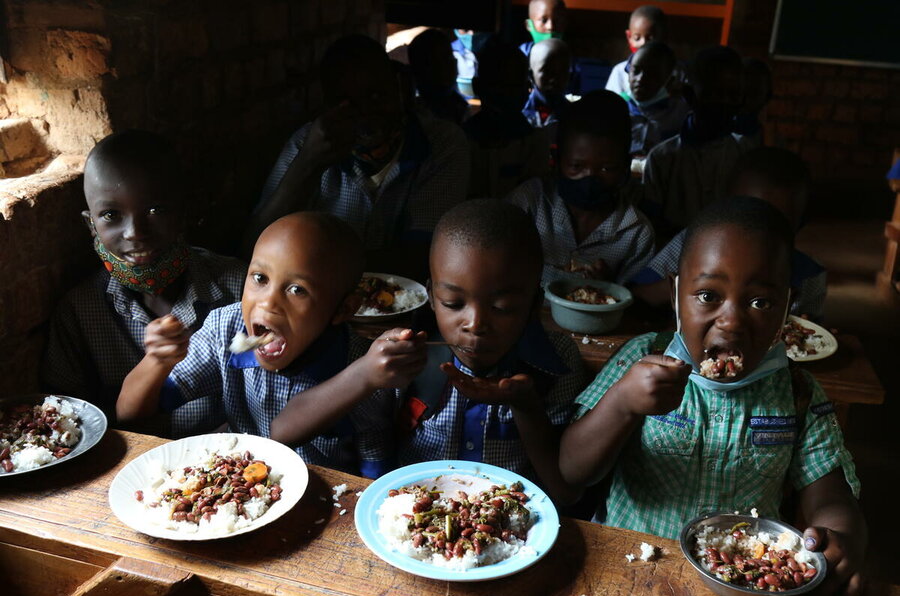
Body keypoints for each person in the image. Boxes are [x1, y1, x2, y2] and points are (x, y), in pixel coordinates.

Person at [561, 197, 866, 596]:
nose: (733, 320)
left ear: (786, 308)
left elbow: (829, 495)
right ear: (676, 294)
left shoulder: (798, 392)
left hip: (742, 585)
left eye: (761, 302)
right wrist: (622, 403)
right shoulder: (639, 361)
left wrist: (837, 537)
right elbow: (571, 470)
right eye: (708, 296)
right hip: (631, 570)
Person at [117, 213, 421, 477]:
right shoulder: (226, 330)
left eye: (297, 290)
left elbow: (375, 468)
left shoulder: (367, 368)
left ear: (342, 309)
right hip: (237, 490)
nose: (268, 302)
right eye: (260, 278)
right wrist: (156, 361)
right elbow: (131, 416)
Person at [43, 130, 245, 437]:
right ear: (91, 224)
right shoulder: (79, 312)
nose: (135, 232)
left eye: (155, 210)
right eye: (111, 214)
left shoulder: (239, 288)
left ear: (184, 211)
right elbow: (65, 425)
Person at [398, 199, 585, 504]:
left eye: (503, 308)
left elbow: (564, 489)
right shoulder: (409, 355)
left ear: (533, 305)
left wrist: (524, 405)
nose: (476, 324)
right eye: (453, 304)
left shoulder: (556, 362)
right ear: (431, 296)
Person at [251, 34, 469, 281]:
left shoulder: (440, 144)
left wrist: (312, 263)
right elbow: (256, 246)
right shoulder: (307, 144)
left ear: (399, 88)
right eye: (347, 103)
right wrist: (308, 164)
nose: (365, 112)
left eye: (376, 96)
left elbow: (423, 257)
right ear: (327, 106)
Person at [632, 147, 827, 321]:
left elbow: (812, 332)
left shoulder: (809, 276)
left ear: (800, 224)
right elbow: (638, 296)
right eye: (746, 214)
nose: (758, 234)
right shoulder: (692, 243)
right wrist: (688, 285)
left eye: (777, 224)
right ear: (722, 205)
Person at [507, 92, 654, 286]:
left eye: (606, 169)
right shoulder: (530, 201)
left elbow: (633, 302)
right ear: (557, 160)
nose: (590, 178)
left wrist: (609, 287)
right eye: (576, 167)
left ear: (625, 166)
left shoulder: (635, 233)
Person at [642, 45, 746, 238]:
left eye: (733, 95)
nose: (723, 103)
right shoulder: (662, 158)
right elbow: (650, 225)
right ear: (690, 95)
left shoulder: (746, 156)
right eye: (712, 93)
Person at [464, 38, 551, 199]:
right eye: (497, 85)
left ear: (527, 89)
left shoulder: (534, 143)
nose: (506, 95)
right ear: (478, 87)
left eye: (514, 86)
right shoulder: (461, 142)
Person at [626, 41, 689, 157]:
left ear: (669, 81)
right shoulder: (618, 110)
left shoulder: (680, 115)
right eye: (636, 71)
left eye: (652, 74)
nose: (640, 79)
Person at [408, 28, 469, 125]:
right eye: (444, 59)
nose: (453, 63)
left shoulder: (459, 106)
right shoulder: (421, 119)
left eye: (451, 56)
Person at [605, 5, 667, 99]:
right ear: (629, 36)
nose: (643, 43)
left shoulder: (674, 72)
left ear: (663, 37)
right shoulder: (620, 72)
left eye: (650, 38)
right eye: (637, 38)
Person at [522, 38, 572, 130]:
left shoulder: (574, 114)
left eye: (562, 71)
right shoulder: (520, 112)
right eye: (547, 71)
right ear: (531, 74)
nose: (555, 78)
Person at [733, 57, 773, 151]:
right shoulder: (716, 140)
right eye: (741, 93)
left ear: (767, 97)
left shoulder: (771, 142)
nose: (746, 101)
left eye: (754, 94)